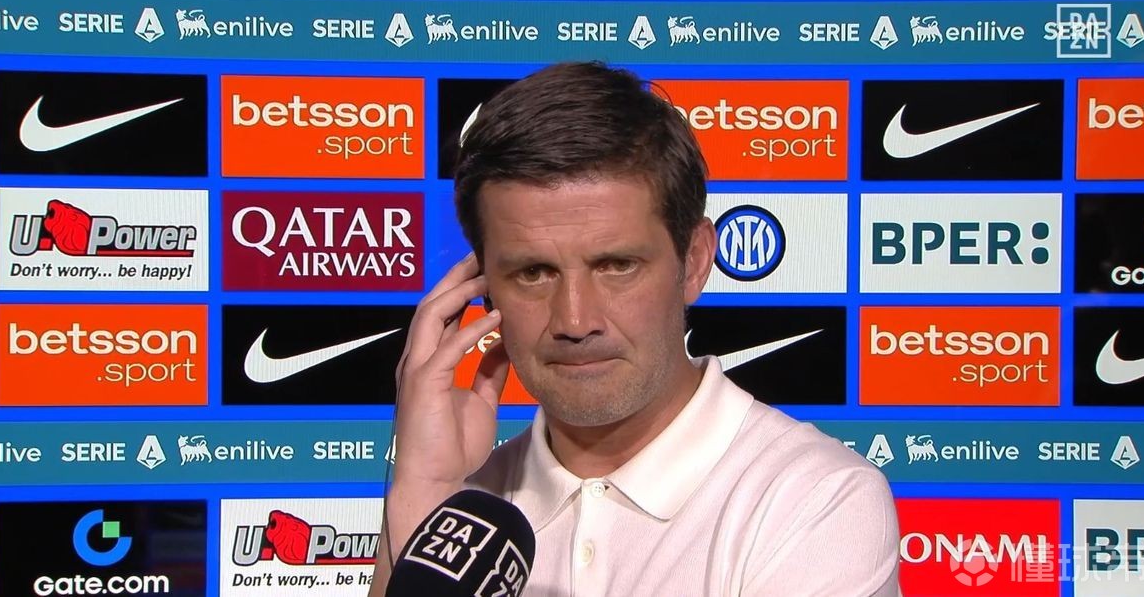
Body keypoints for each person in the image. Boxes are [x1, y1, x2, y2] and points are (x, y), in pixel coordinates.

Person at [369, 62, 899, 596]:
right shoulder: (458, 509)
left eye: (616, 265)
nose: (575, 321)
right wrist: (426, 489)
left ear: (694, 261)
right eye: (533, 273)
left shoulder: (816, 499)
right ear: (483, 288)